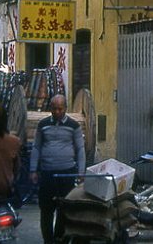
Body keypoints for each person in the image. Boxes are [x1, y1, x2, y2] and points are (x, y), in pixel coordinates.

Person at [30, 94, 86, 244]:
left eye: (60, 109)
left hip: (67, 173)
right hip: (47, 174)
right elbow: (36, 147)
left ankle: (59, 239)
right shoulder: (43, 124)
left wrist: (81, 173)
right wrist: (33, 169)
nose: (56, 112)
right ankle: (48, 240)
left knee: (64, 210)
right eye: (54, 109)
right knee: (46, 210)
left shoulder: (74, 126)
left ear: (65, 109)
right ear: (50, 108)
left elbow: (80, 149)